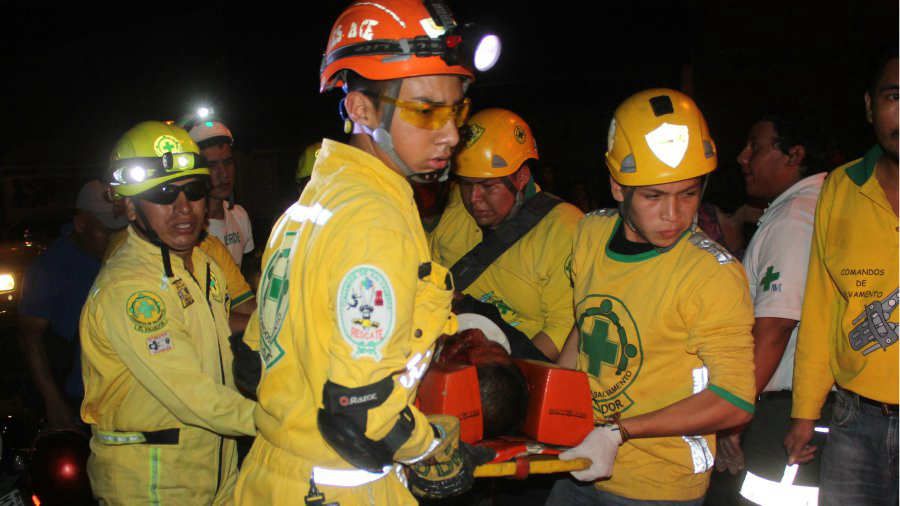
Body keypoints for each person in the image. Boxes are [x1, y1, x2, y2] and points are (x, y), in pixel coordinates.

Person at [234, 1, 499, 504]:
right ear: (360, 109)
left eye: (456, 110)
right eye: (426, 110)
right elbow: (359, 410)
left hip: (275, 474)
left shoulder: (310, 204)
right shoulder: (376, 221)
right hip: (340, 487)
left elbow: (251, 364)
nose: (450, 133)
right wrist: (431, 451)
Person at [550, 88, 756, 505]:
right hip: (574, 462)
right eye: (653, 196)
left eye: (689, 194)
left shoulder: (710, 275)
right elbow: (585, 323)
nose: (674, 215)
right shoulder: (588, 234)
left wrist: (618, 431)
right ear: (617, 187)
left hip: (658, 485)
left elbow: (734, 401)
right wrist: (552, 406)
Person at [80, 121, 256, 504]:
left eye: (192, 192)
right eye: (162, 194)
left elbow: (226, 348)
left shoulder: (204, 266)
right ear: (129, 205)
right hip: (152, 481)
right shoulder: (130, 289)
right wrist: (282, 419)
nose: (183, 209)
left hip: (214, 469)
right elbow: (191, 394)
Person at [784, 47, 898, 506]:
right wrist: (803, 415)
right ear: (870, 106)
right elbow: (820, 307)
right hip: (854, 424)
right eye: (894, 95)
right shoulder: (841, 187)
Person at [710, 110, 828, 504]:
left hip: (785, 411)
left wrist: (734, 416)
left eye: (755, 148)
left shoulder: (796, 218)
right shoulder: (811, 207)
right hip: (794, 405)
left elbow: (776, 326)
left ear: (793, 156)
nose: (742, 157)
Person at [429, 108, 583, 361]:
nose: (474, 199)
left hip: (518, 365)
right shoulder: (453, 209)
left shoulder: (563, 229)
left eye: (488, 186)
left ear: (521, 177)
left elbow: (562, 328)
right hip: (445, 356)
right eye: (467, 184)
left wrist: (506, 374)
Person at [18, 180, 127, 431]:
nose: (116, 239)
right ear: (81, 224)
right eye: (106, 231)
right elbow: (29, 339)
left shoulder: (126, 258)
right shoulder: (50, 269)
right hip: (81, 399)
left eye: (119, 230)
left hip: (126, 395)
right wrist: (53, 401)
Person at [188, 119, 254, 269]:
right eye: (211, 165)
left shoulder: (240, 216)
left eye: (228, 162)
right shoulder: (186, 225)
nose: (224, 174)